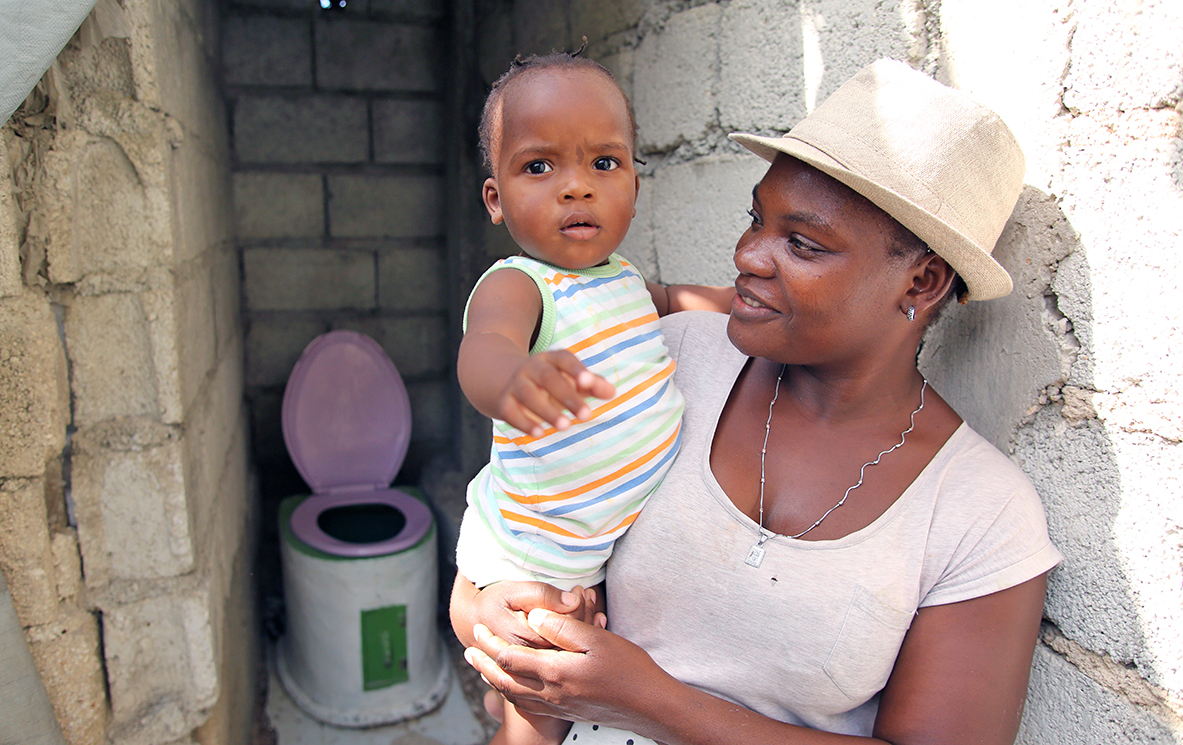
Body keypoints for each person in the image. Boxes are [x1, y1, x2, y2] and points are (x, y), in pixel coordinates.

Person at [451, 58, 1064, 745]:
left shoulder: (979, 514)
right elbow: (518, 520)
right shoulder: (664, 358)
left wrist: (649, 700)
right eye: (755, 219)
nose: (748, 254)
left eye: (800, 243)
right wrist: (484, 611)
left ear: (921, 281)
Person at [456, 47, 733, 745]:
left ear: (635, 185)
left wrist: (743, 301)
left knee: (562, 698)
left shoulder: (626, 279)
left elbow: (673, 300)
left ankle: (504, 707)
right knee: (539, 721)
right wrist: (512, 380)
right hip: (530, 556)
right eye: (539, 166)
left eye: (603, 164)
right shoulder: (519, 284)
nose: (575, 187)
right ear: (496, 198)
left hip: (596, 548)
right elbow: (483, 349)